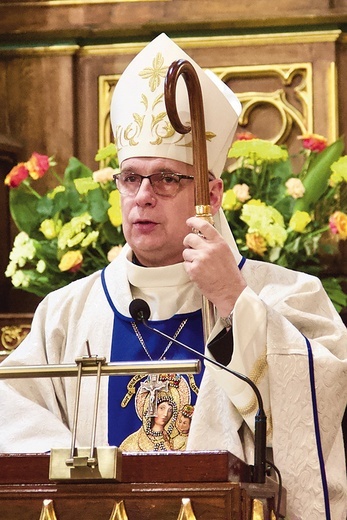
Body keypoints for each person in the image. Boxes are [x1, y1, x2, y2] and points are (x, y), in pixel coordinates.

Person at [0, 33, 346, 519]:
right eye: (130, 177)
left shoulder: (288, 294)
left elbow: (316, 405)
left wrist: (234, 299)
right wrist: (91, 483)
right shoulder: (67, 312)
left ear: (212, 192)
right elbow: (9, 407)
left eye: (166, 178)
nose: (142, 195)